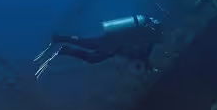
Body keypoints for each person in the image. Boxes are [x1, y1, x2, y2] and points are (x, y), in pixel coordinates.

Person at [34, 15, 163, 78]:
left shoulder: (146, 42)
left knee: (87, 45)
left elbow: (141, 56)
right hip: (113, 45)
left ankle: (62, 41)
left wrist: (148, 65)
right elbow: (142, 56)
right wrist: (149, 66)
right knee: (91, 56)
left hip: (113, 43)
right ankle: (64, 46)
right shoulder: (146, 43)